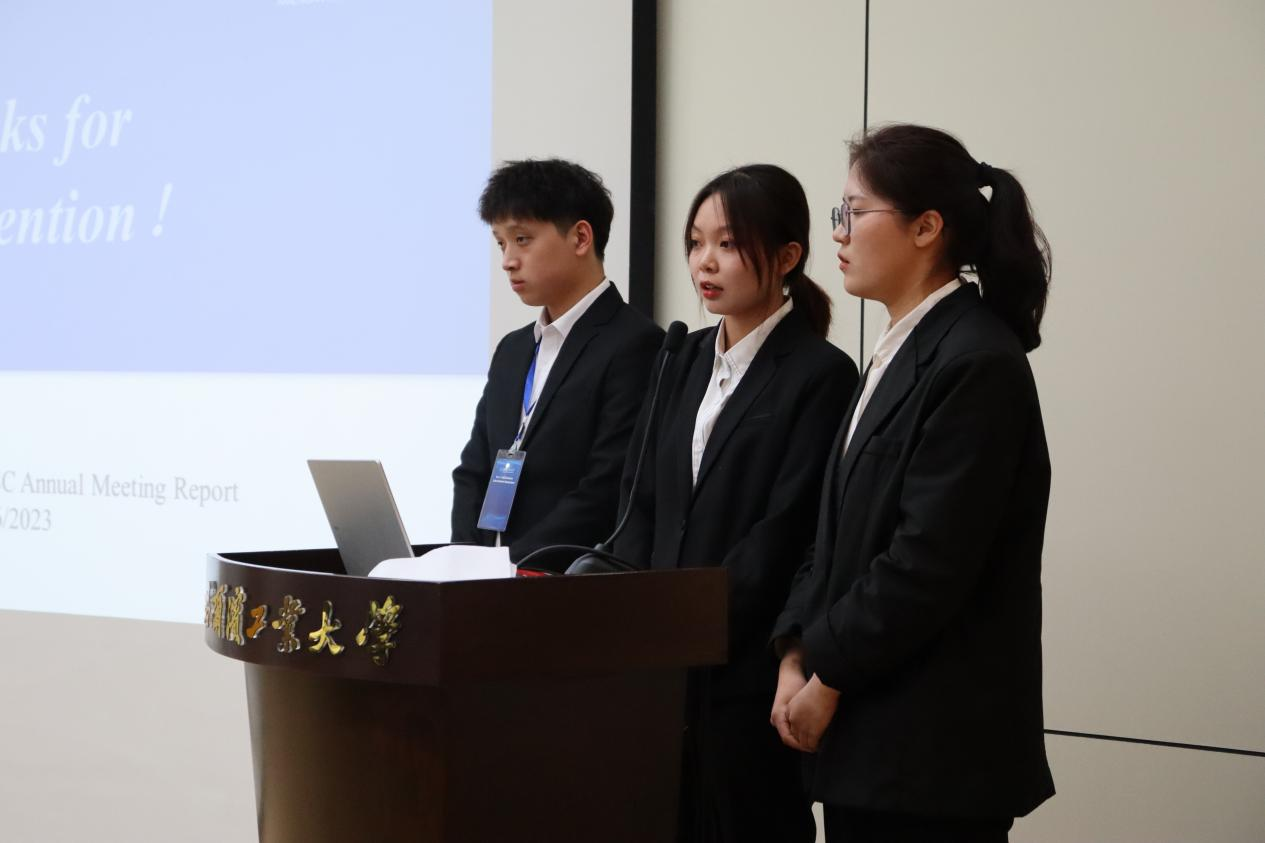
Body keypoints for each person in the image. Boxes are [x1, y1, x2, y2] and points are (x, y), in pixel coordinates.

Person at [770, 124, 1056, 842]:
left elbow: (926, 564)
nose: (838, 232)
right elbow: (834, 535)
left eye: (853, 211)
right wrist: (795, 653)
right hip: (872, 744)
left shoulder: (975, 359)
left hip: (931, 757)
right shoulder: (897, 350)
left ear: (926, 228)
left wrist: (827, 676)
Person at [614, 164, 859, 842]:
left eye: (727, 243)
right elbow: (640, 503)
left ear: (787, 256)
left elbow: (784, 530)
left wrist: (688, 620)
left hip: (747, 673)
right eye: (696, 242)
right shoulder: (681, 356)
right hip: (658, 674)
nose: (704, 261)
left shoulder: (819, 373)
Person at [451, 158, 663, 567]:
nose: (507, 260)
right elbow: (473, 471)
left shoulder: (635, 345)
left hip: (563, 582)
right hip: (483, 583)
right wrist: (465, 562)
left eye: (522, 239)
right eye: (501, 243)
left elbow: (605, 490)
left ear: (581, 237)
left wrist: (509, 566)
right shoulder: (513, 350)